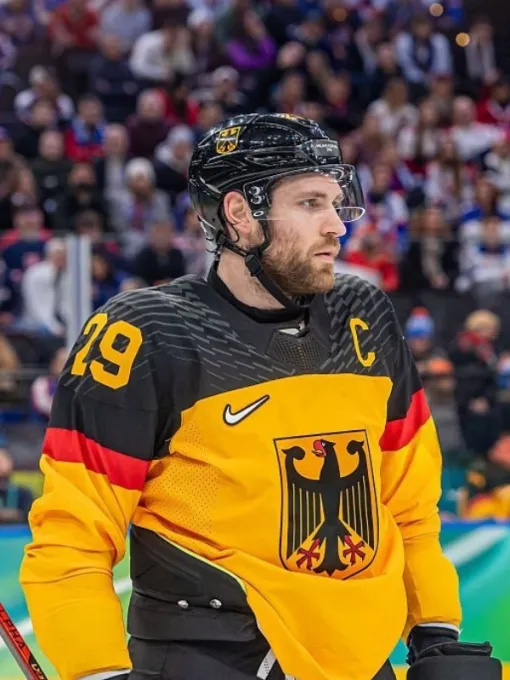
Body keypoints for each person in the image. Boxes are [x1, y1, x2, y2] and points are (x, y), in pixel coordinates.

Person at [20, 114, 500, 680]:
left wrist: (434, 632)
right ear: (240, 213)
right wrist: (98, 671)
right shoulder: (144, 333)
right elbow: (72, 536)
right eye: (310, 203)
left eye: (335, 202)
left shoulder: (365, 314)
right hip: (210, 658)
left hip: (360, 660)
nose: (336, 226)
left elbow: (409, 505)